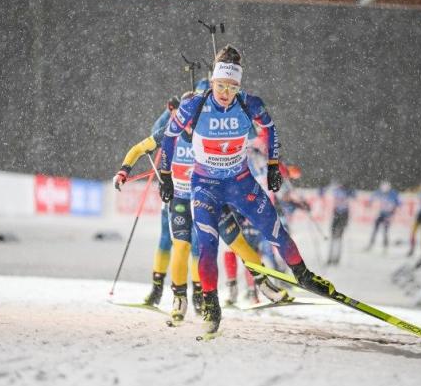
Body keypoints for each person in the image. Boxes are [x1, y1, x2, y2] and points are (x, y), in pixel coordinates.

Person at [158, 44, 331, 335]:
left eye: (232, 87)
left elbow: (271, 128)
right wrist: (165, 174)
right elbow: (169, 135)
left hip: (241, 182)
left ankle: (304, 276)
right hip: (206, 187)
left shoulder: (249, 103)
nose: (225, 93)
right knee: (208, 247)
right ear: (212, 81)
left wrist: (274, 165)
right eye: (220, 85)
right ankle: (212, 306)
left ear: (239, 86)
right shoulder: (195, 105)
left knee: (275, 231)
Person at [115, 89, 290, 322]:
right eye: (182, 117)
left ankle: (264, 284)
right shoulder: (168, 133)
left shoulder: (207, 127)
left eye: (189, 117)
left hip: (210, 196)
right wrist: (123, 170)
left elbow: (242, 135)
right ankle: (179, 299)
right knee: (181, 247)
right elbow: (138, 149)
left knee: (237, 241)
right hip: (180, 200)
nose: (186, 122)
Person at [113, 97, 179, 308]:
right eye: (176, 114)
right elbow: (154, 132)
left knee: (193, 245)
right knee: (165, 240)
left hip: (193, 197)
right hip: (170, 194)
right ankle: (156, 291)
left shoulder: (202, 125)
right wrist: (167, 110)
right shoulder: (169, 124)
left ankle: (196, 297)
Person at [324, 181, 355, 266]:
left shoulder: (348, 191)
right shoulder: (336, 190)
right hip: (336, 214)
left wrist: (349, 189)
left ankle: (336, 258)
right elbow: (322, 192)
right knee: (333, 237)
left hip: (344, 215)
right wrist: (330, 186)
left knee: (339, 238)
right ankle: (330, 257)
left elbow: (354, 195)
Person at [365, 181, 401, 252]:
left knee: (385, 231)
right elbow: (373, 196)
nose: (384, 193)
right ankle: (371, 244)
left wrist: (394, 210)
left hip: (388, 215)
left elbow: (399, 203)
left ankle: (385, 247)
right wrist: (369, 203)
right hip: (381, 214)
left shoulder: (393, 194)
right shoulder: (380, 192)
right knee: (375, 229)